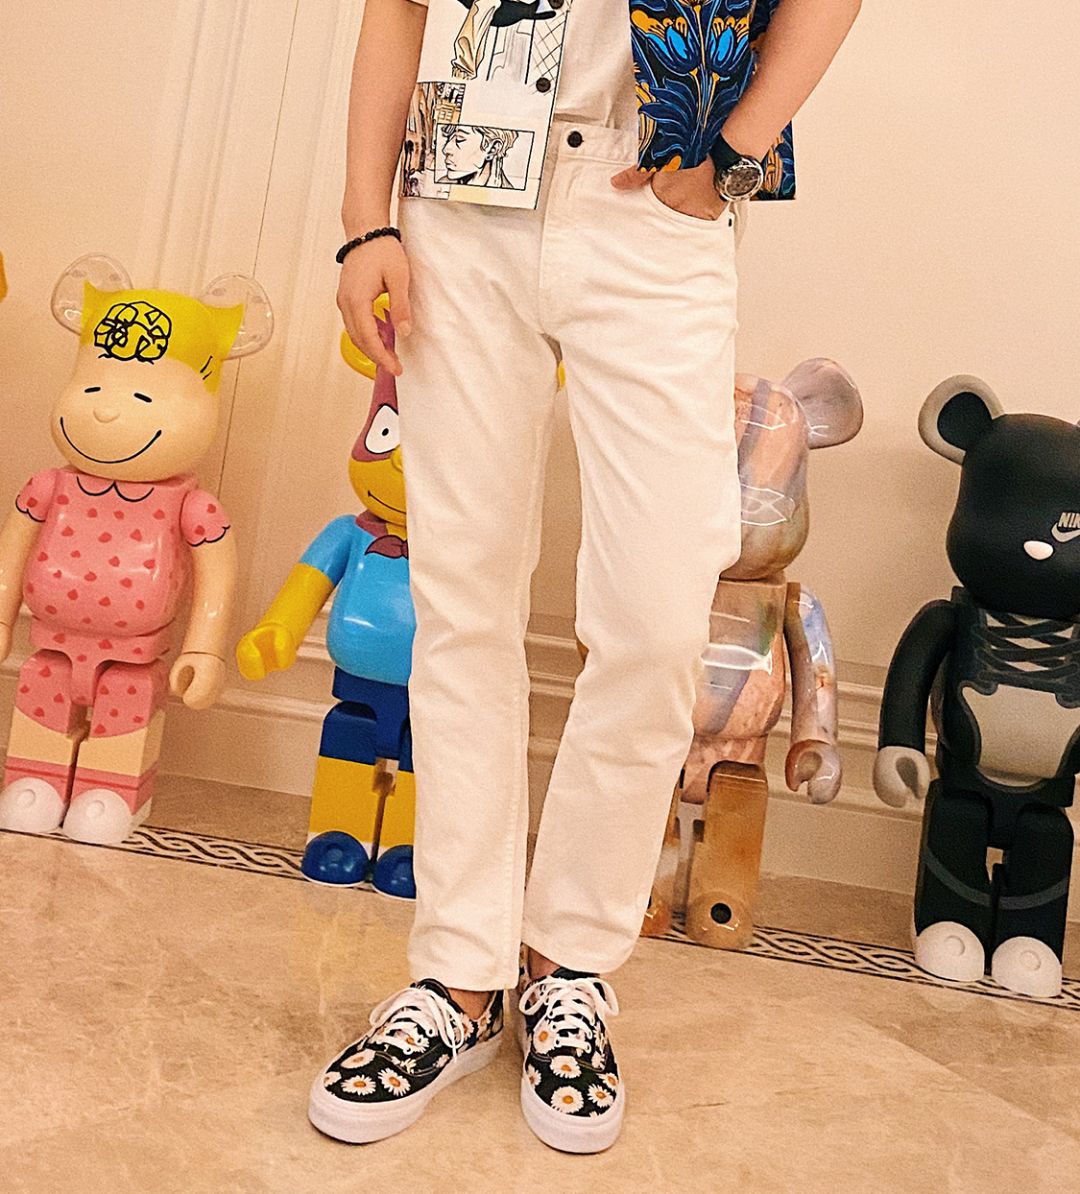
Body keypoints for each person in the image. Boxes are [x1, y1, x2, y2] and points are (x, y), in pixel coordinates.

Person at [310, 0, 861, 1154]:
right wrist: (367, 224)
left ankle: (569, 967)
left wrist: (730, 156)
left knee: (658, 619)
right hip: (461, 189)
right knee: (462, 601)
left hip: (654, 195)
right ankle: (459, 974)